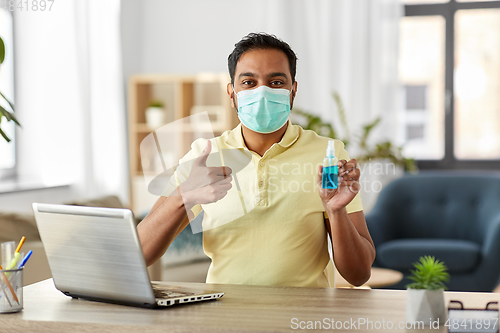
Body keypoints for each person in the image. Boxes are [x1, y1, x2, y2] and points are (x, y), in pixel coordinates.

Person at [137, 32, 375, 287]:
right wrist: (184, 196)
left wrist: (336, 211)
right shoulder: (204, 156)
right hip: (224, 316)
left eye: (275, 82)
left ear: (293, 91)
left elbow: (358, 275)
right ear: (232, 94)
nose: (262, 92)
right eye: (249, 82)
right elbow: (141, 253)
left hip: (301, 320)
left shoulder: (328, 155)